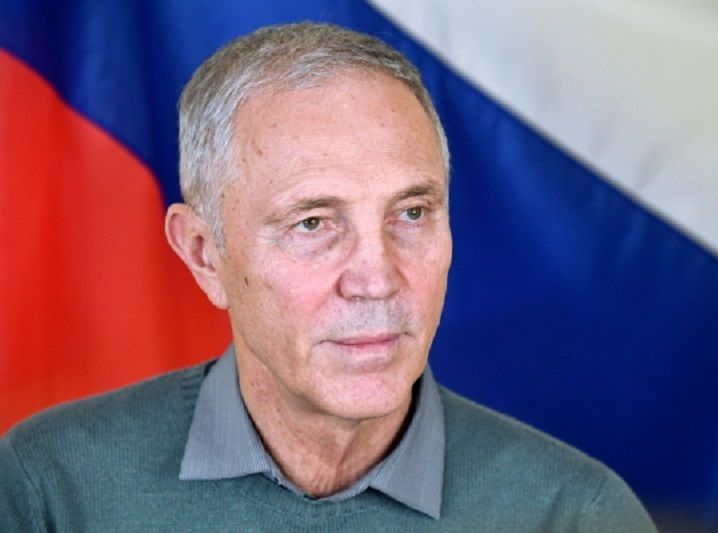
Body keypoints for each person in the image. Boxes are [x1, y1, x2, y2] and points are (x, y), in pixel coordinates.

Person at [0, 22, 656, 531]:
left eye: (412, 212)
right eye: (313, 223)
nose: (377, 279)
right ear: (203, 254)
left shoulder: (574, 515)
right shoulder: (51, 490)